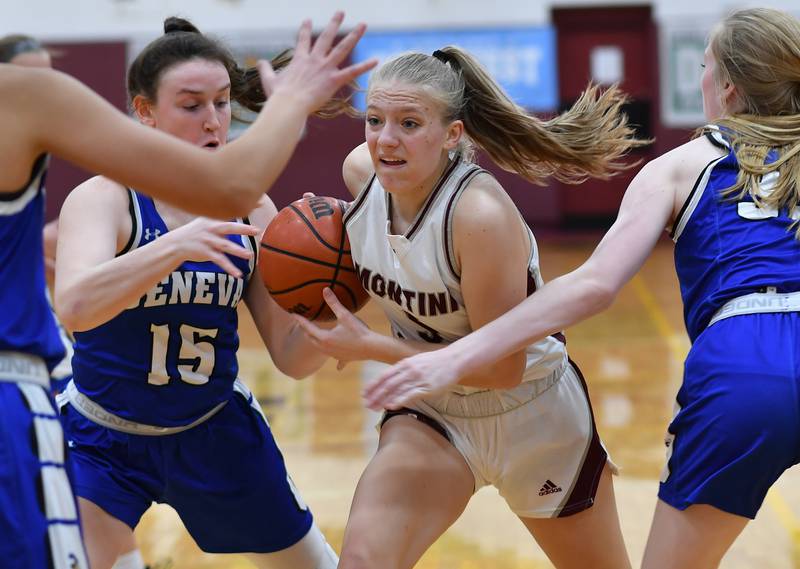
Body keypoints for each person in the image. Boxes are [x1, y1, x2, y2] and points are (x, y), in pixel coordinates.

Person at [371, 8, 800, 569]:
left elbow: (595, 285)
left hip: (745, 366)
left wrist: (459, 354)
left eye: (704, 67)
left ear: (727, 87)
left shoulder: (684, 164)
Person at [0, 12, 372, 569]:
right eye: (191, 105)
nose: (213, 121)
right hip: (104, 438)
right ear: (144, 111)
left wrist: (329, 321)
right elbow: (75, 306)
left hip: (213, 430)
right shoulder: (105, 198)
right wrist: (174, 246)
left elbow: (290, 359)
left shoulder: (252, 207)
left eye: (222, 103)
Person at [294, 46, 646, 569]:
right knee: (365, 560)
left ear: (452, 135)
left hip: (533, 413)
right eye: (375, 120)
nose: (385, 139)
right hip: (432, 412)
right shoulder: (361, 178)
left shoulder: (478, 216)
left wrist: (370, 346)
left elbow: (503, 369)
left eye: (409, 123)